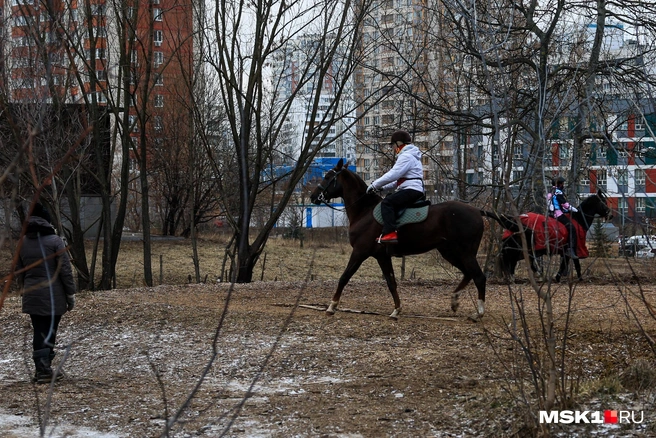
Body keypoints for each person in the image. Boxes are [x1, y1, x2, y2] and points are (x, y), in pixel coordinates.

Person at [16, 202, 76, 384]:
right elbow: (65, 270)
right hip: (53, 295)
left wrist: (23, 290)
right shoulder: (55, 241)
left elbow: (20, 270)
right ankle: (44, 369)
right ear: (47, 221)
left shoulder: (22, 242)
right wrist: (70, 294)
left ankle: (42, 369)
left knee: (39, 331)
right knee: (49, 331)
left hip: (32, 294)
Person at [366, 130, 425, 243]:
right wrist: (382, 188)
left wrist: (374, 185)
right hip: (413, 187)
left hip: (411, 189)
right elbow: (398, 181)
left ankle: (390, 232)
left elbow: (393, 175)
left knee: (387, 203)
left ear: (398, 144)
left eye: (393, 145)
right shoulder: (412, 156)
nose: (393, 148)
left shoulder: (406, 156)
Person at [551, 177, 579, 259]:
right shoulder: (558, 192)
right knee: (572, 228)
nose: (563, 185)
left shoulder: (550, 191)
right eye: (562, 183)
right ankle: (570, 249)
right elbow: (564, 204)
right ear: (559, 184)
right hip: (558, 214)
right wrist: (574, 209)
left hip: (551, 213)